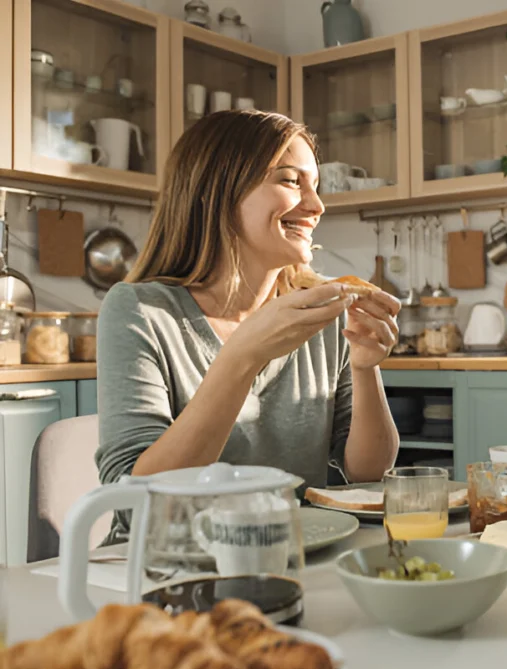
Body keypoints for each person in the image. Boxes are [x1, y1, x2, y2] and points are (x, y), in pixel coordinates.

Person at [95, 111, 400, 542]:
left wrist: (366, 368)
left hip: (290, 558)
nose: (316, 206)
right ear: (215, 190)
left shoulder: (322, 312)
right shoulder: (141, 311)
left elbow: (367, 474)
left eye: (316, 186)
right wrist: (243, 355)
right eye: (292, 181)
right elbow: (137, 505)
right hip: (165, 571)